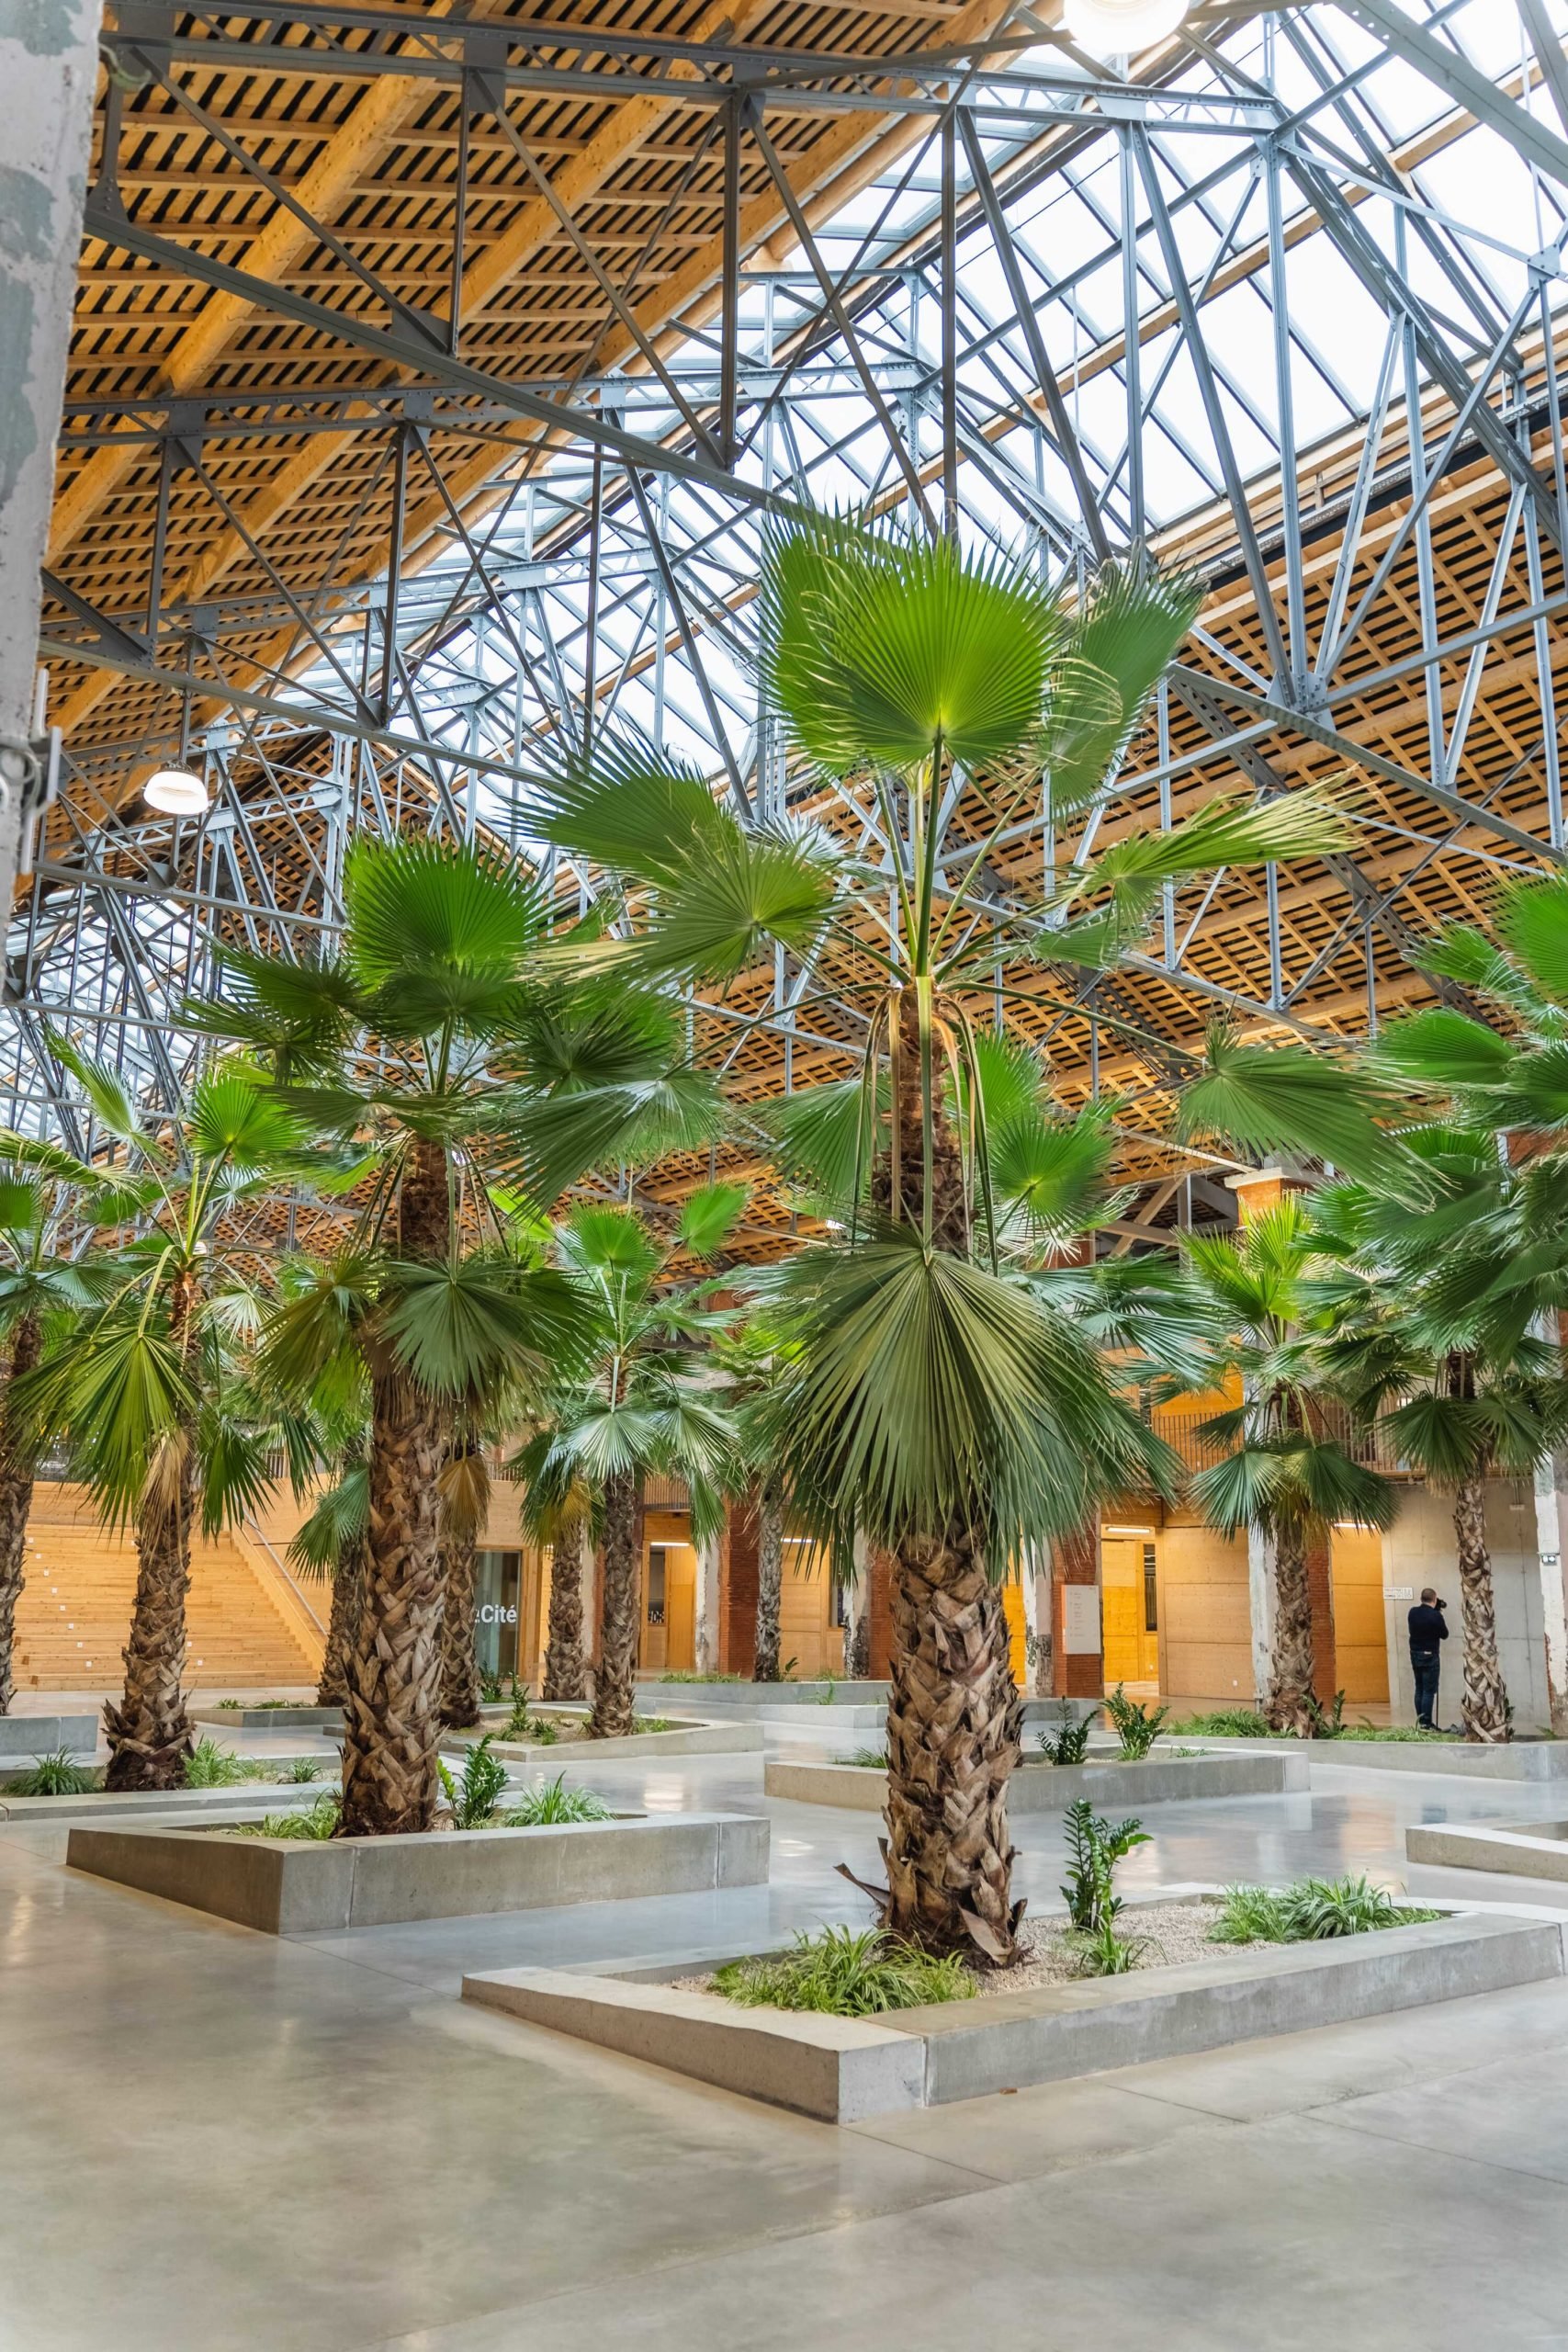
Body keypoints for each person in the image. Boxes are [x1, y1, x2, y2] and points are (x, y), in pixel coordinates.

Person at [1407, 1589, 1449, 1730]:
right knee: (1428, 1691)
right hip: (1430, 1655)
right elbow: (1444, 1634)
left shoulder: (1412, 1612)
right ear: (1434, 1599)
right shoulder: (1435, 1615)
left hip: (1415, 1654)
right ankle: (1426, 1723)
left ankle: (1420, 1720)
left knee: (1419, 1688)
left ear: (1421, 1598)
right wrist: (1438, 1614)